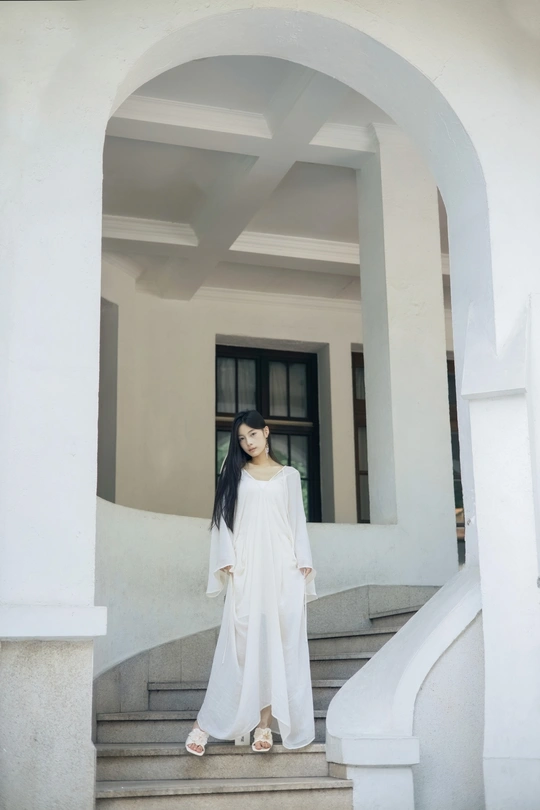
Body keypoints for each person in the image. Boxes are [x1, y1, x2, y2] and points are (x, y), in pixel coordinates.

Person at [185, 409, 317, 755]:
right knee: (240, 646)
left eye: (253, 435)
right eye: (242, 438)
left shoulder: (289, 476)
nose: (248, 443)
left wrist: (303, 561)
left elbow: (297, 521)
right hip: (246, 567)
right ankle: (204, 725)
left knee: (279, 645)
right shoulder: (234, 473)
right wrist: (226, 557)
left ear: (266, 432)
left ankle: (264, 725)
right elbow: (222, 520)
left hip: (283, 568)